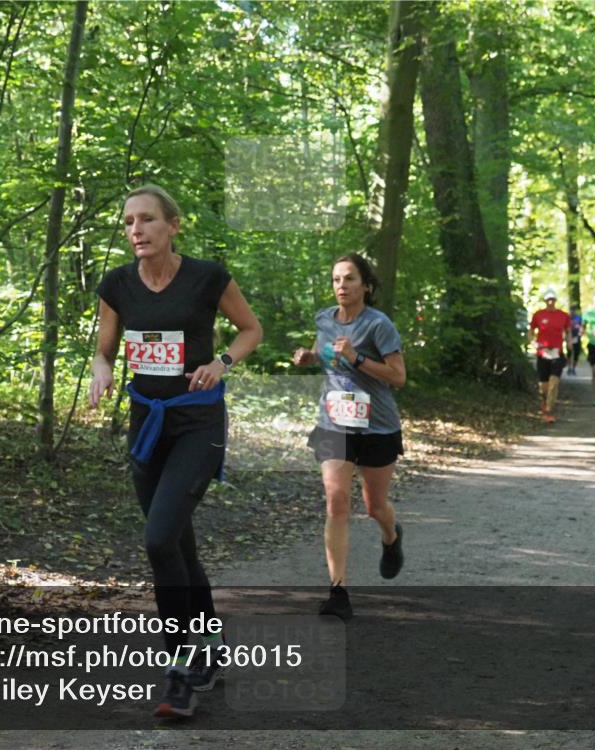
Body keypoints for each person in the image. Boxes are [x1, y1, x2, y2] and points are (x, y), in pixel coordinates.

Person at [88, 184, 262, 718]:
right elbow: (104, 345)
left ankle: (182, 670)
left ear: (172, 225)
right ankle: (208, 649)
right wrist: (103, 365)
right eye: (128, 223)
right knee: (178, 546)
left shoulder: (207, 276)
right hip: (147, 425)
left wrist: (222, 364)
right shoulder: (116, 284)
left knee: (159, 537)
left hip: (198, 424)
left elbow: (250, 329)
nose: (135, 230)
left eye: (146, 220)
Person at [292, 253, 406, 622]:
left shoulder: (379, 325)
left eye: (349, 279)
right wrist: (310, 356)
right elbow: (325, 352)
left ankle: (391, 535)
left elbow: (398, 377)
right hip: (334, 422)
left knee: (374, 506)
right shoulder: (324, 318)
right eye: (336, 279)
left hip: (377, 425)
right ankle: (338, 591)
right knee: (336, 502)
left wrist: (356, 358)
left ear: (366, 286)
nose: (341, 285)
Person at [529, 289, 572, 423]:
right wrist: (534, 343)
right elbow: (531, 331)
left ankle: (549, 410)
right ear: (545, 301)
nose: (550, 302)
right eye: (548, 300)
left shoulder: (563, 316)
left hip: (556, 353)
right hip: (543, 353)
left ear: (555, 301)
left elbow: (568, 331)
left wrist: (569, 342)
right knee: (544, 386)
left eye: (552, 299)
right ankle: (545, 402)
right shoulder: (538, 315)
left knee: (554, 382)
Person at [568, 304, 583, 375]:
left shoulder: (579, 317)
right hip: (569, 338)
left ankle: (573, 368)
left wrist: (580, 333)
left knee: (576, 354)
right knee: (569, 353)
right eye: (571, 310)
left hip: (577, 337)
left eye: (574, 310)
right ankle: (569, 368)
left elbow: (582, 326)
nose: (572, 311)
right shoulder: (567, 317)